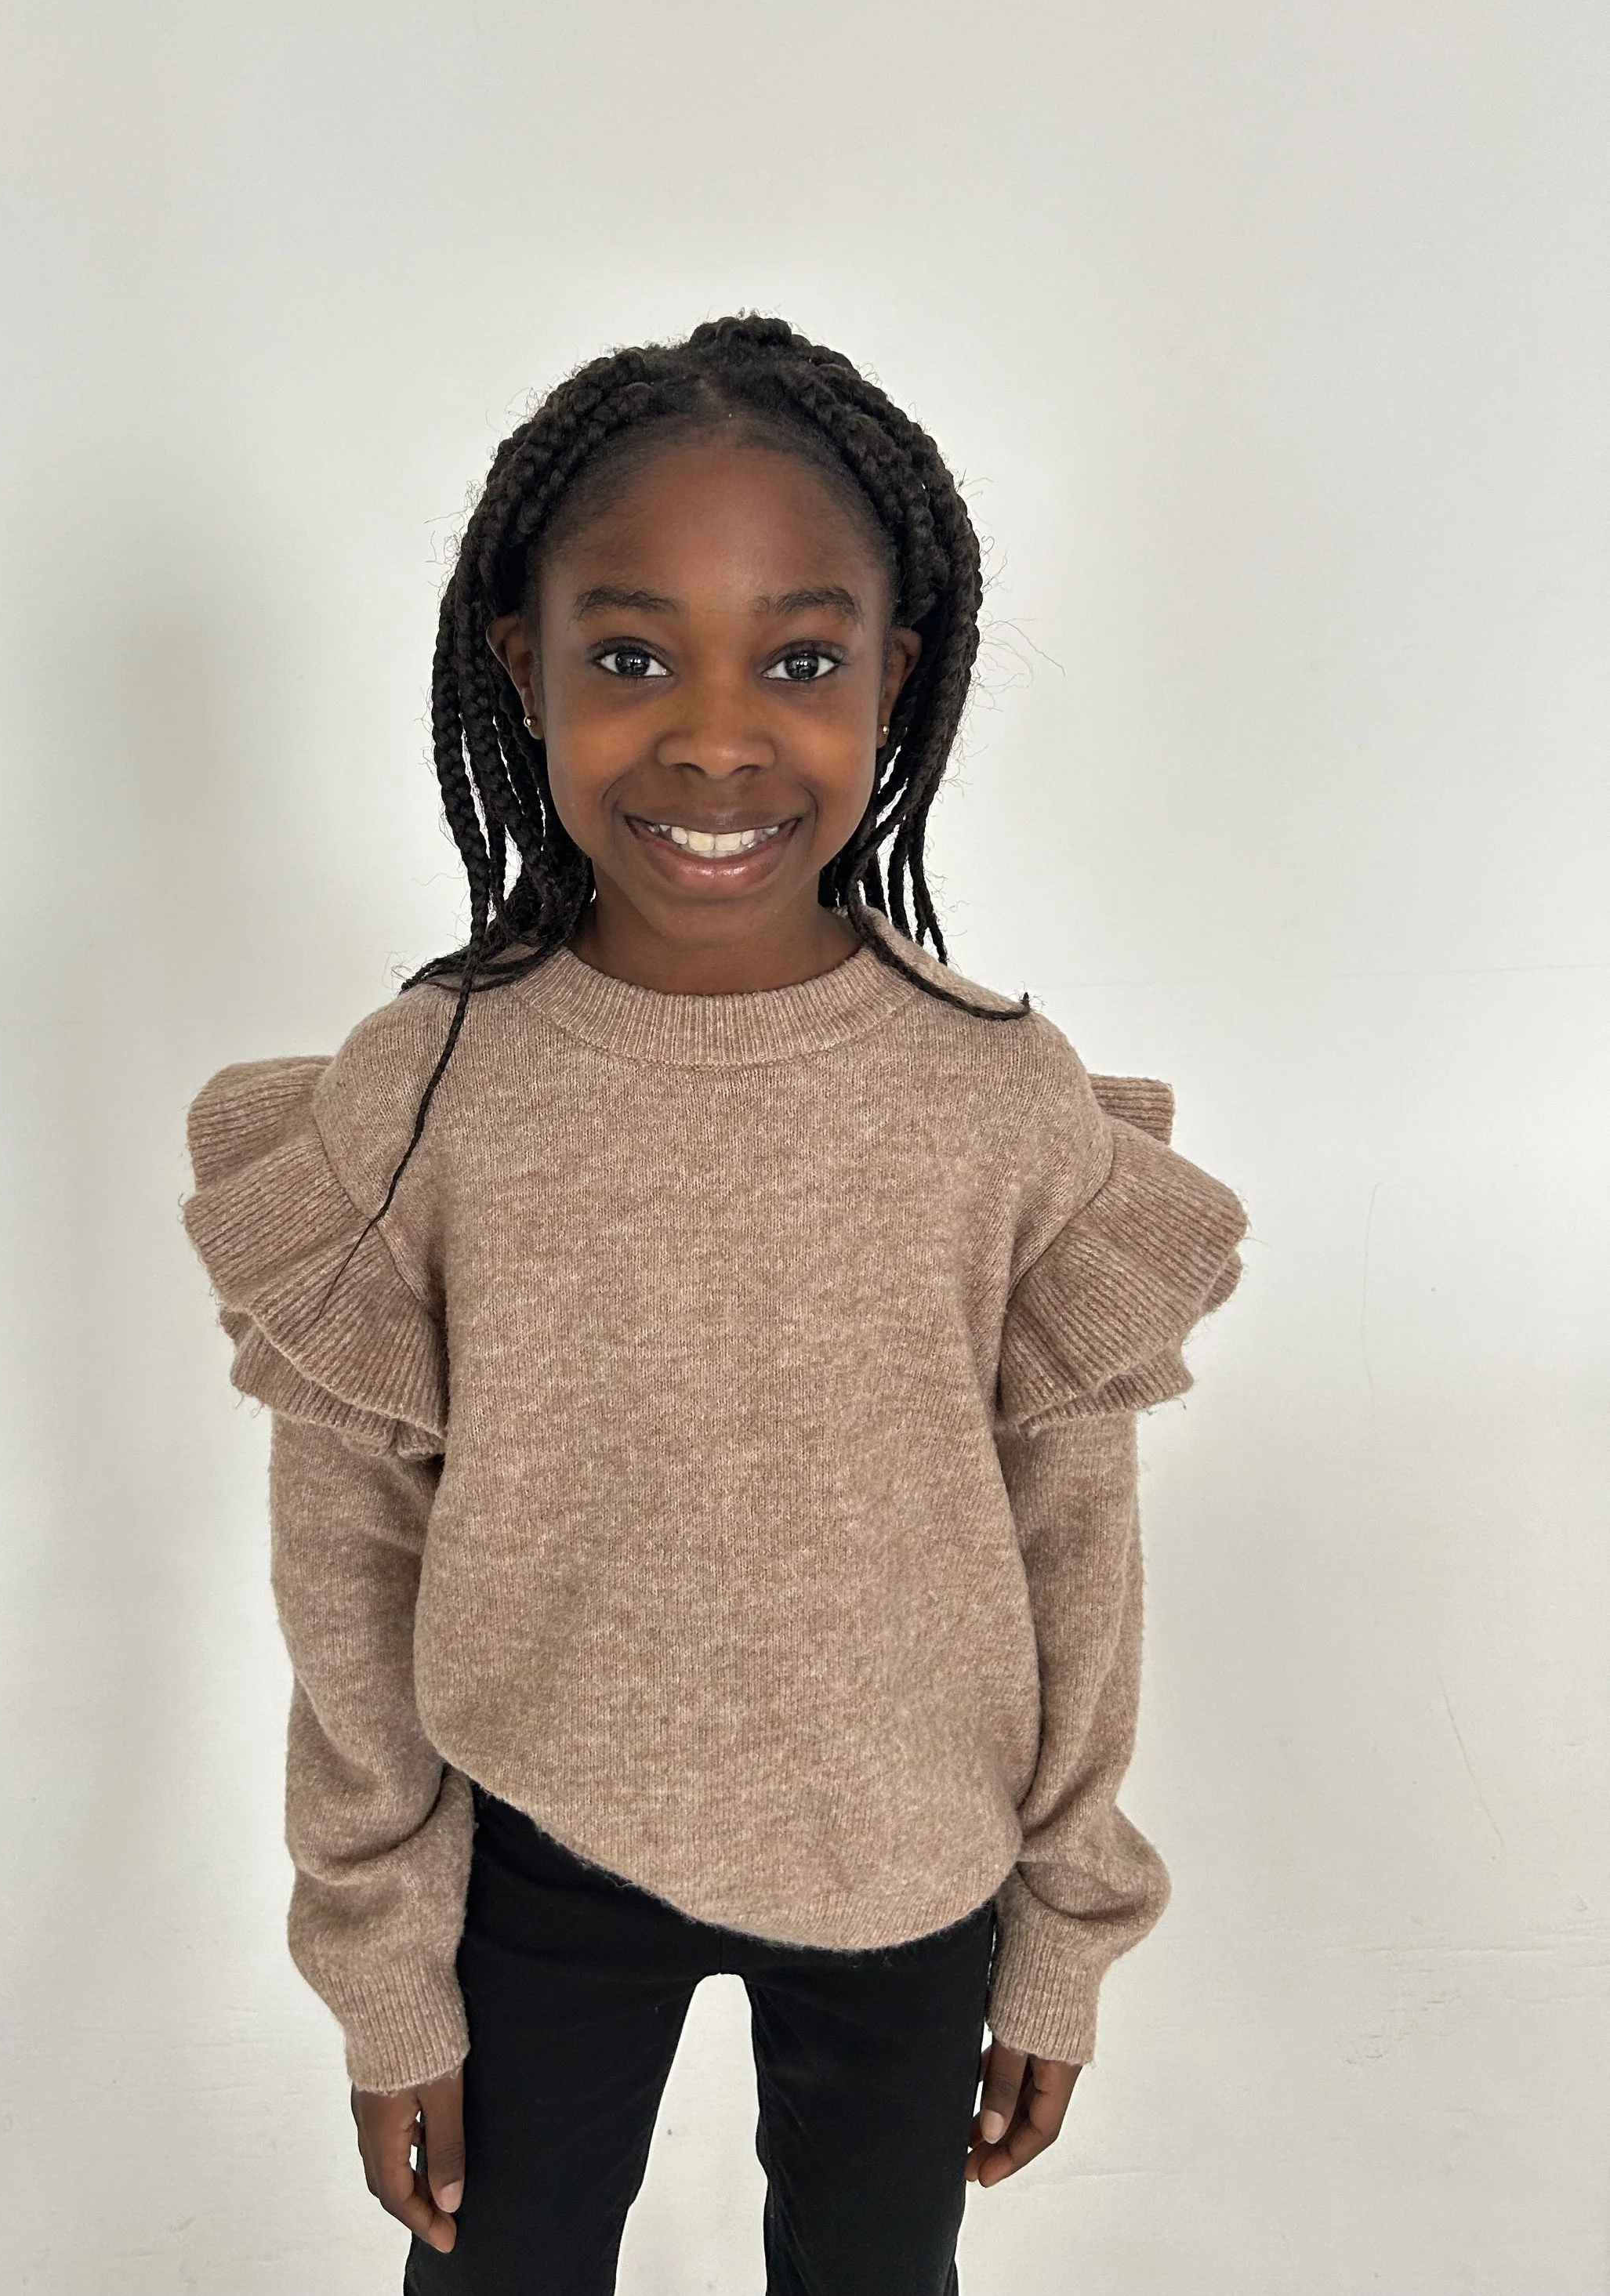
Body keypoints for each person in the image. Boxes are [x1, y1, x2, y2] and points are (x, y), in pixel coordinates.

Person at [181, 314, 1247, 2294]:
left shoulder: (995, 1096)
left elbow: (1072, 1537)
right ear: (519, 663)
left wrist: (1062, 1925)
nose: (712, 736)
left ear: (893, 676)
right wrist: (385, 1969)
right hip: (531, 1856)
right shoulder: (425, 1094)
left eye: (800, 660)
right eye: (629, 655)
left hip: (912, 1863)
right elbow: (348, 1559)